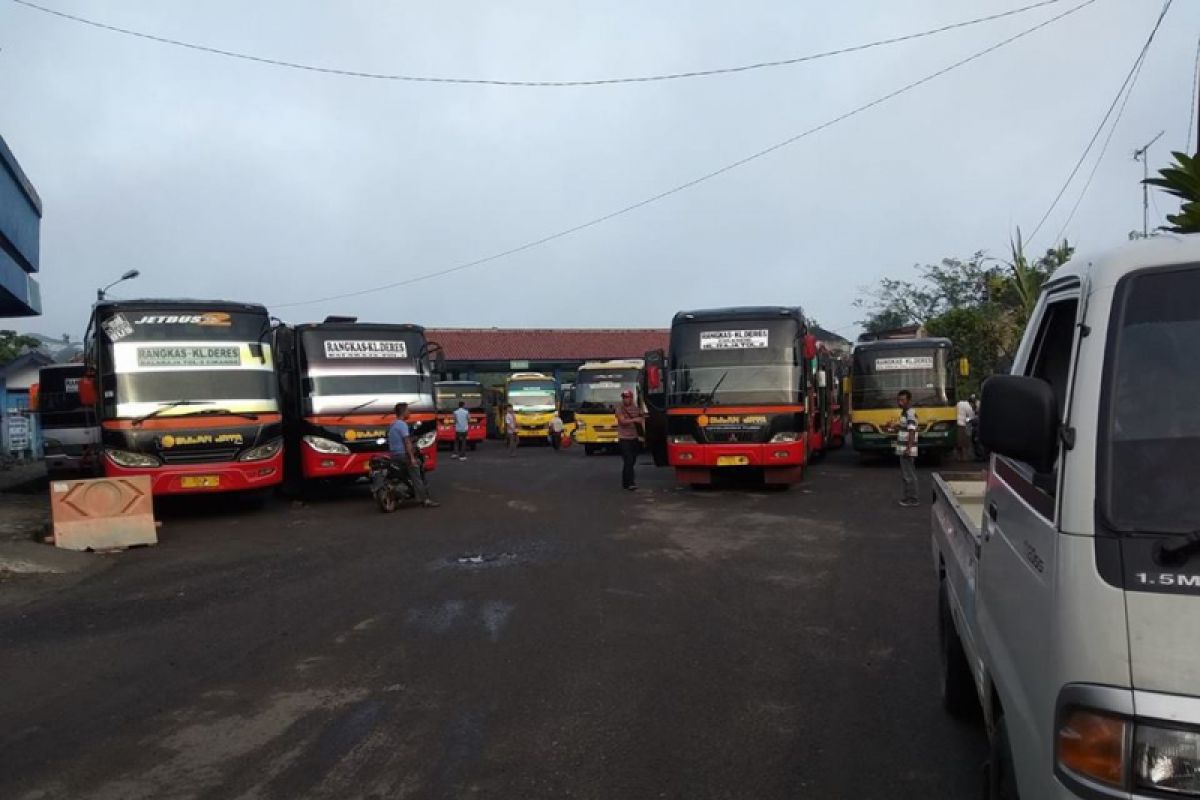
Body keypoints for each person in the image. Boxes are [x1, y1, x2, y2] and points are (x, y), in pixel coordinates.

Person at [387, 402, 438, 507]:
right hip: (402, 455)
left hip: (394, 455)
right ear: (403, 412)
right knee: (417, 473)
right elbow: (407, 442)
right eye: (408, 410)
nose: (409, 412)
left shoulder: (392, 424)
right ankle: (425, 500)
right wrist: (412, 458)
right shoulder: (402, 424)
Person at [614, 389, 645, 491]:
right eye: (624, 397)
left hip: (634, 438)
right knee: (628, 460)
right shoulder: (619, 408)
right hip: (624, 438)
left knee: (632, 461)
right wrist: (634, 420)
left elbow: (643, 418)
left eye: (627, 397)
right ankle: (631, 483)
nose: (625, 399)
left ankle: (625, 482)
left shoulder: (636, 408)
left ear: (631, 398)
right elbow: (622, 421)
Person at [895, 390, 919, 507]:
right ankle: (908, 497)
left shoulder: (910, 413)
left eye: (903, 400)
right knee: (906, 474)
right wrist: (896, 427)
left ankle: (912, 498)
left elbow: (912, 430)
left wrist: (908, 448)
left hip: (907, 450)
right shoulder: (905, 413)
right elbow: (905, 428)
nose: (900, 402)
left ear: (909, 401)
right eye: (899, 400)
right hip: (904, 449)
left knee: (909, 475)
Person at [955, 393, 976, 462]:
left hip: (957, 423)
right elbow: (972, 417)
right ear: (971, 403)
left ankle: (959, 456)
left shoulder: (959, 403)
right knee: (965, 442)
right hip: (965, 425)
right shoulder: (969, 407)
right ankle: (964, 457)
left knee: (959, 442)